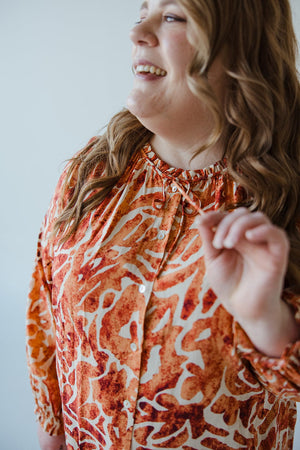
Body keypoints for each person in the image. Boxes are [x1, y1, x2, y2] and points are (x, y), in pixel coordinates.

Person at [26, 0, 300, 448]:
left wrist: (266, 319)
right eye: (141, 12)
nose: (137, 33)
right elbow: (47, 338)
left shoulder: (284, 200)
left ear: (244, 49)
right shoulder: (90, 175)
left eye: (172, 16)